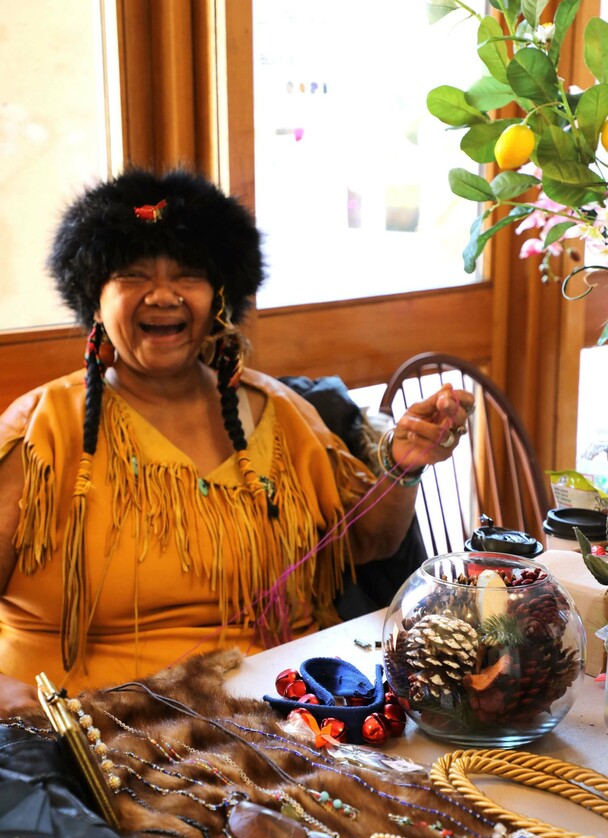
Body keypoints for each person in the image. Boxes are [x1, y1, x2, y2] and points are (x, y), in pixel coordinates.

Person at [0, 167, 474, 712]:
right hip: (101, 727)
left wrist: (402, 466)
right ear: (95, 300)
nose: (162, 295)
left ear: (219, 296)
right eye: (132, 275)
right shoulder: (43, 429)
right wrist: (34, 713)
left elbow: (367, 545)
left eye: (188, 275)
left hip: (284, 716)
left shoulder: (279, 413)